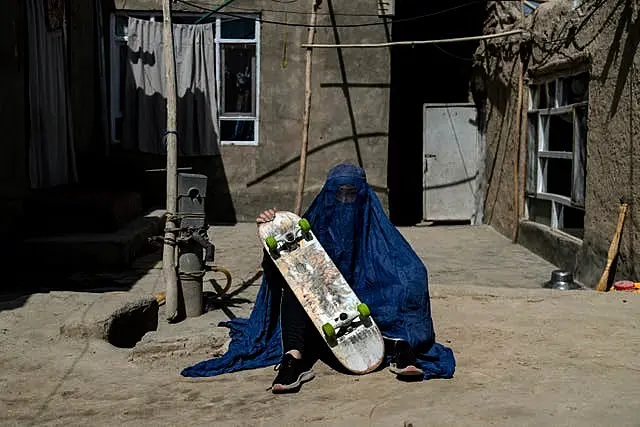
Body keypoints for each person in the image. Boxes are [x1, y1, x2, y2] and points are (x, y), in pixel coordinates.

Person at [182, 163, 455, 393]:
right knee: (296, 288)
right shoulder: (314, 225)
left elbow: (407, 267)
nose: (346, 202)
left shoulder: (375, 229)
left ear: (364, 196)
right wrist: (272, 228)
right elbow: (282, 265)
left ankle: (399, 346)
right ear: (328, 196)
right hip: (322, 317)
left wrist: (406, 283)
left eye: (352, 194)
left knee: (398, 284)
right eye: (339, 195)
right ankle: (293, 360)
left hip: (365, 315)